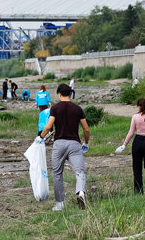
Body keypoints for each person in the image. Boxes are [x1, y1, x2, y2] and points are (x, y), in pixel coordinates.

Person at [38, 83, 90, 211]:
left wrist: (41, 137)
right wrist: (86, 143)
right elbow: (86, 129)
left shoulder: (55, 108)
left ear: (59, 94)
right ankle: (80, 193)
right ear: (70, 94)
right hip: (74, 144)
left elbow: (49, 126)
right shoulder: (78, 109)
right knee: (80, 171)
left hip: (59, 144)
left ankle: (60, 203)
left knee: (57, 173)